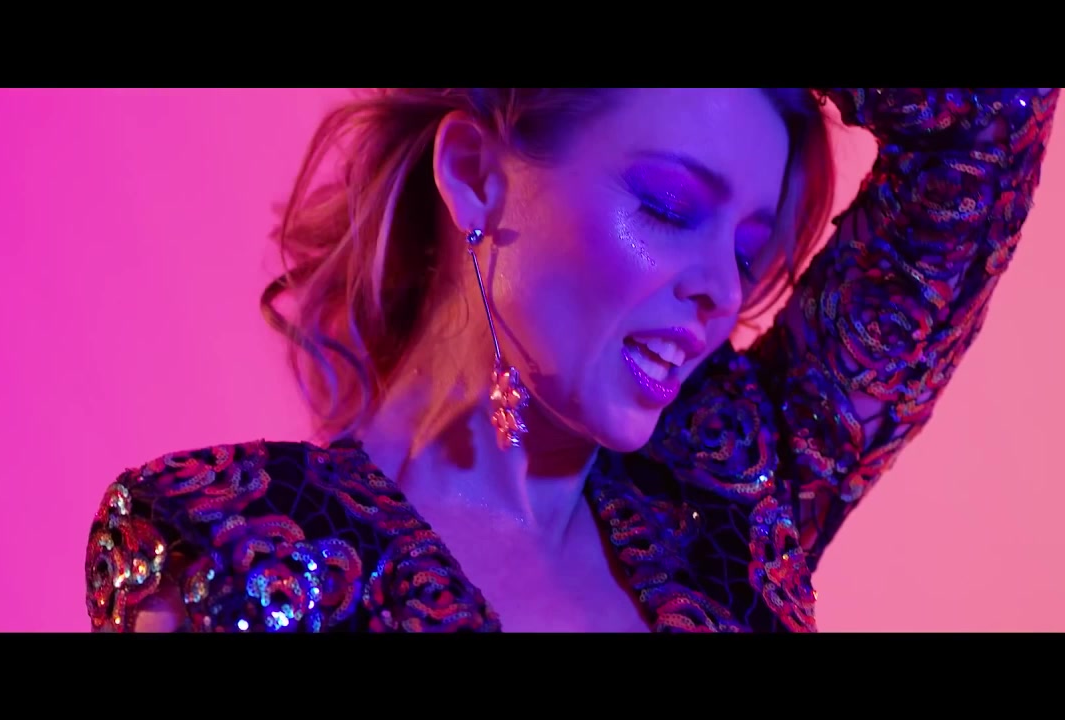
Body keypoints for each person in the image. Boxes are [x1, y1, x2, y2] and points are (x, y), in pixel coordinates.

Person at [85, 88, 1057, 633]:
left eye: (747, 250)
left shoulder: (737, 482)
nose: (719, 291)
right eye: (667, 208)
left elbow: (991, 118)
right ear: (474, 176)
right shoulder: (240, 544)